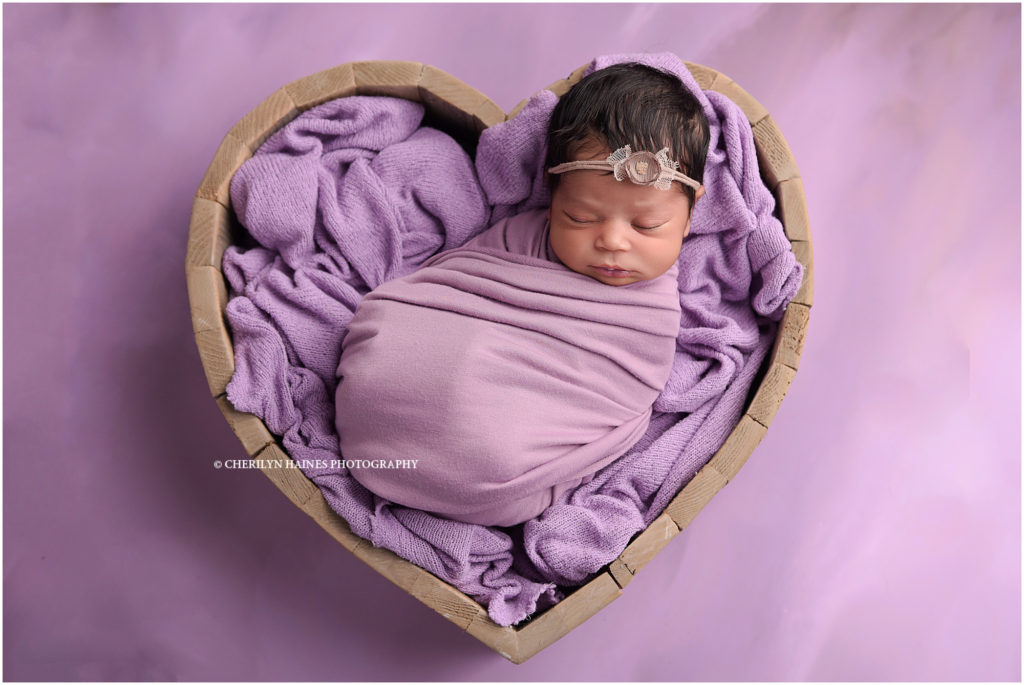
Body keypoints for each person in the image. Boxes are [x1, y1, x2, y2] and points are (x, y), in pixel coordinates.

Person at [334, 61, 712, 527]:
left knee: (497, 451)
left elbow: (621, 391)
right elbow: (448, 291)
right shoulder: (519, 236)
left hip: (494, 479)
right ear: (552, 198)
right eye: (581, 217)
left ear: (690, 214)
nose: (613, 242)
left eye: (647, 225)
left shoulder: (650, 312)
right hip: (381, 409)